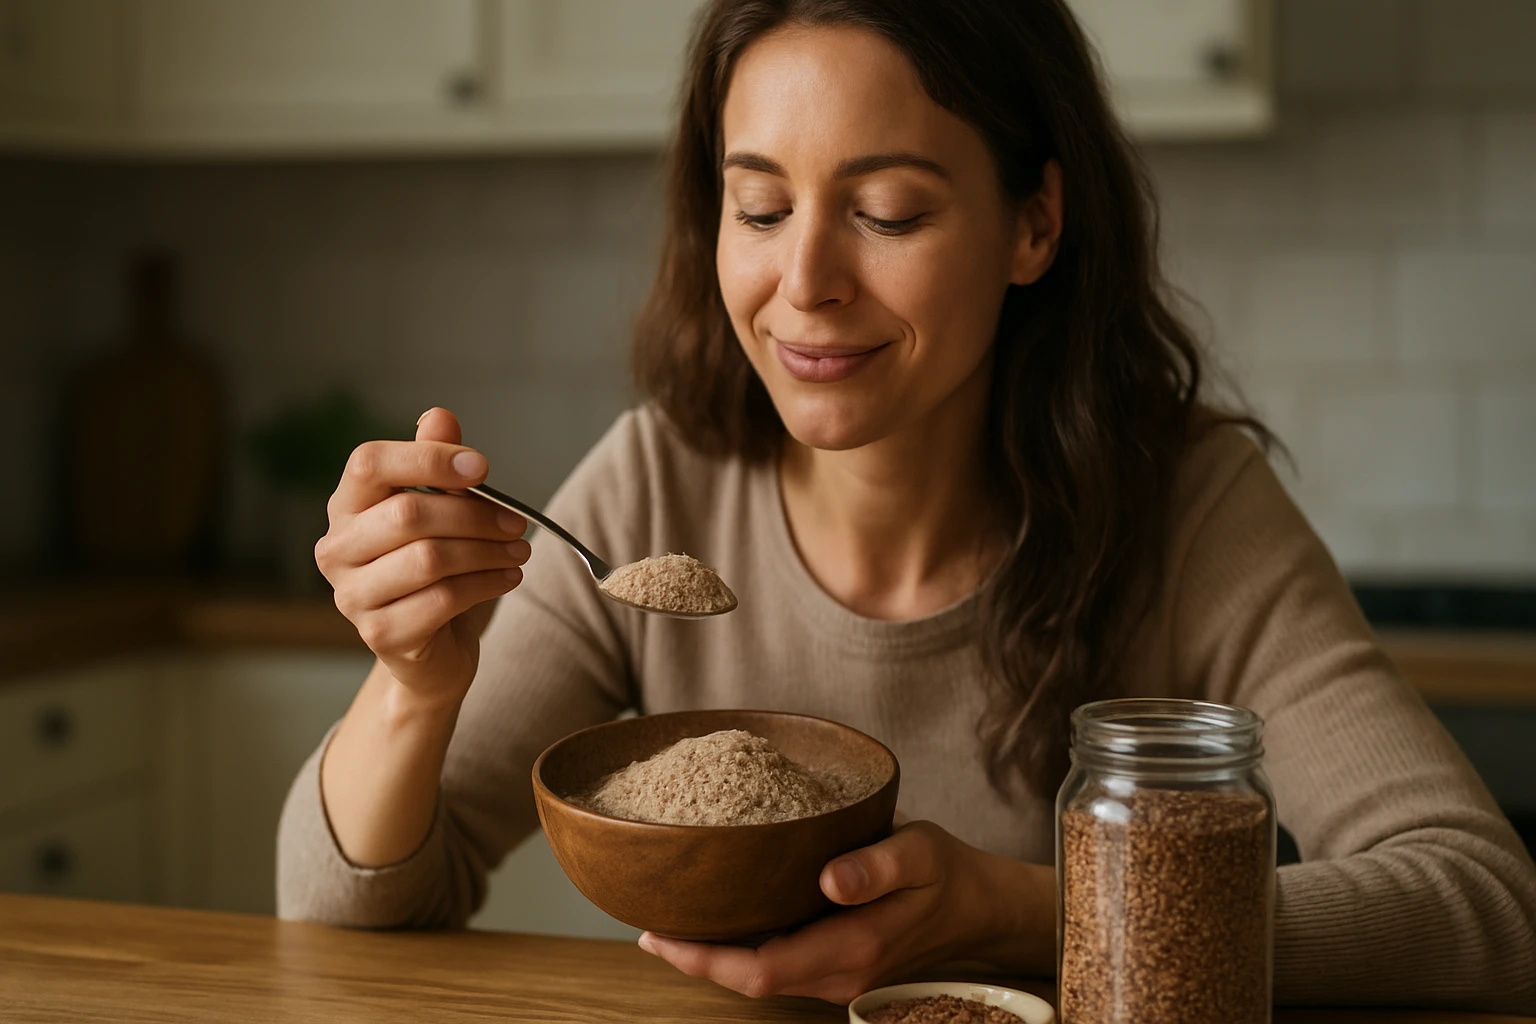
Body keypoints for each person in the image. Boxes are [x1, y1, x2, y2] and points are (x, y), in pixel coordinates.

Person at [277, 0, 1536, 1011]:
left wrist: (1020, 911)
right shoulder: (660, 482)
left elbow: (1483, 904)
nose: (804, 282)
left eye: (887, 212)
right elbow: (342, 913)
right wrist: (413, 685)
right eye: (759, 207)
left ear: (1034, 223)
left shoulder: (1185, 506)